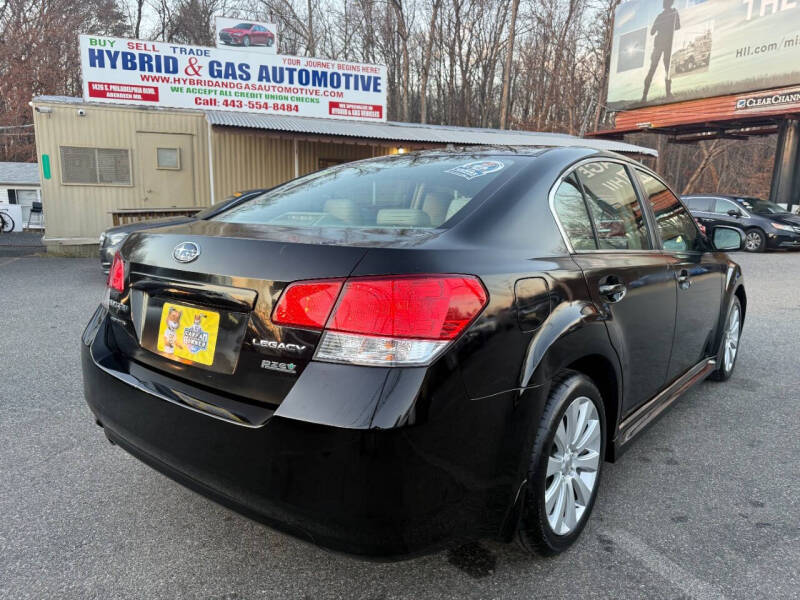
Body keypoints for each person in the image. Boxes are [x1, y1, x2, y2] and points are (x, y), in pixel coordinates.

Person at [642, 0, 680, 103]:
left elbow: (652, 31)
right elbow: (677, 26)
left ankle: (645, 97)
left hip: (662, 44)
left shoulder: (663, 15)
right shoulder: (672, 13)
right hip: (664, 44)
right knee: (663, 69)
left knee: (656, 69)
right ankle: (646, 96)